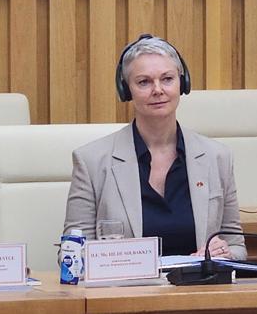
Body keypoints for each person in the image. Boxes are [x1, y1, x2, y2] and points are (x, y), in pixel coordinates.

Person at [63, 34, 246, 260]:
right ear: (126, 90)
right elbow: (71, 253)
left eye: (167, 79)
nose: (157, 90)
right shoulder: (91, 161)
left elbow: (236, 244)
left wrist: (225, 253)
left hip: (198, 290)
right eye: (144, 82)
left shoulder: (217, 157)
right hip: (126, 292)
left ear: (183, 83)